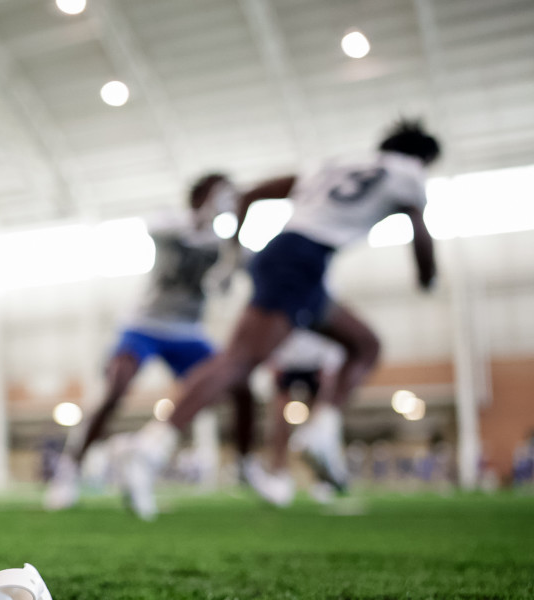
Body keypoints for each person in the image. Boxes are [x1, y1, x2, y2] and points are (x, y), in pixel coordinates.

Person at [122, 119, 440, 518]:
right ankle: (152, 447)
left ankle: (321, 432)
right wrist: (429, 277)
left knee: (363, 345)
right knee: (237, 362)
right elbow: (421, 231)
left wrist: (235, 249)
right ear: (422, 157)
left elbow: (250, 195)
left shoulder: (335, 165)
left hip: (292, 261)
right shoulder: (409, 173)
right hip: (302, 262)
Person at [44, 173, 255, 511]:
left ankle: (245, 465)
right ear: (201, 194)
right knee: (115, 390)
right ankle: (70, 469)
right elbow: (159, 230)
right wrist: (204, 222)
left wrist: (233, 247)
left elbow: (226, 285)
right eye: (219, 195)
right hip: (144, 324)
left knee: (242, 387)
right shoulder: (171, 220)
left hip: (189, 330)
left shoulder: (223, 243)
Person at [242, 329, 345, 507]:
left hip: (317, 358)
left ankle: (320, 474)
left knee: (318, 419)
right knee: (279, 421)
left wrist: (329, 364)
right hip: (286, 359)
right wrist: (272, 360)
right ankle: (279, 475)